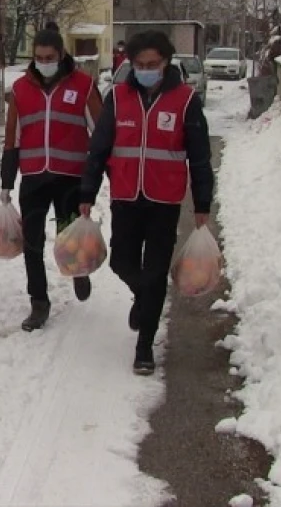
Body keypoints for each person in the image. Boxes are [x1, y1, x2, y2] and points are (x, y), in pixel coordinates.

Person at [80, 30, 214, 375]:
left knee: (154, 272)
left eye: (152, 64)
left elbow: (200, 157)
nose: (145, 70)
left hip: (164, 201)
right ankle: (143, 298)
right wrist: (87, 192)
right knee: (121, 262)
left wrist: (202, 203)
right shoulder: (118, 97)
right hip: (125, 196)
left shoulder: (185, 100)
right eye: (138, 64)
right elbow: (99, 149)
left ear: (166, 63)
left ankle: (144, 348)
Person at [0, 28, 103, 331]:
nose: (44, 62)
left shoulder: (83, 86)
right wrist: (6, 182)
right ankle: (39, 303)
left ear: (61, 55)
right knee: (32, 243)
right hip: (33, 178)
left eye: (50, 58)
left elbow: (100, 136)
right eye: (39, 57)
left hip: (71, 178)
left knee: (69, 237)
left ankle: (79, 272)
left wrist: (95, 180)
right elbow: (12, 138)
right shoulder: (20, 89)